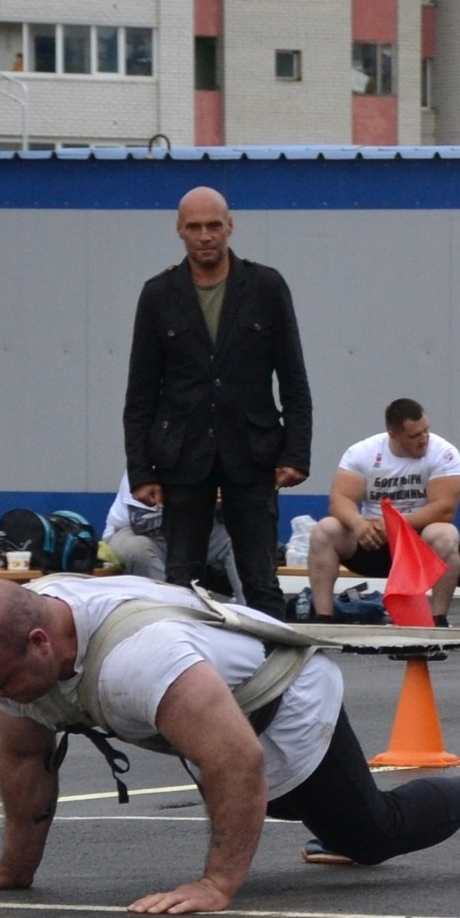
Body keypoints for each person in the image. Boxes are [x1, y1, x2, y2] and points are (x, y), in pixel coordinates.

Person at [0, 576, 460, 912]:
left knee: (372, 835)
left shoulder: (140, 659)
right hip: (220, 715)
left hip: (284, 701)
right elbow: (24, 757)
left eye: (1, 683)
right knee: (284, 803)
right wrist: (14, 868)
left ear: (42, 641)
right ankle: (326, 815)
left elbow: (236, 760)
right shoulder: (11, 652)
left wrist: (215, 885)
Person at [122, 186, 312, 621]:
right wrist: (141, 471)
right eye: (194, 227)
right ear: (179, 231)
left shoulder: (265, 286)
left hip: (253, 451)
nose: (205, 235)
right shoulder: (158, 294)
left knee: (260, 577)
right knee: (181, 579)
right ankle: (185, 674)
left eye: (213, 225)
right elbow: (140, 393)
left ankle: (273, 677)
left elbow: (294, 378)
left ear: (230, 226)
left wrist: (296, 452)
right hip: (183, 454)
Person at [310, 398, 460, 622]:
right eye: (414, 436)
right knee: (325, 530)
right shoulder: (363, 452)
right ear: (393, 434)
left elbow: (444, 509)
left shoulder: (444, 453)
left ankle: (438, 619)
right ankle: (323, 618)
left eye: (426, 431)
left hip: (416, 543)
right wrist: (358, 524)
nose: (424, 440)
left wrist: (395, 525)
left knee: (446, 534)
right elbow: (339, 499)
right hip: (373, 540)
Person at [102, 471, 237, 594]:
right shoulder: (145, 463)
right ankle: (171, 605)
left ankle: (251, 611)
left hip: (193, 530)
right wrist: (201, 503)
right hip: (132, 532)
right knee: (139, 548)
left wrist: (224, 503)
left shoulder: (212, 461)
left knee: (237, 541)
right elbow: (141, 524)